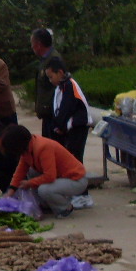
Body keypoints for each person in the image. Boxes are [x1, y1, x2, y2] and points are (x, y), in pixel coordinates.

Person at [0, 124, 87, 219]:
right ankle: (45, 205)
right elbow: (20, 172)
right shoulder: (27, 150)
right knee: (31, 171)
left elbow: (50, 176)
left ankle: (65, 207)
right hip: (61, 178)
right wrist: (11, 191)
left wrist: (29, 183)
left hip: (76, 180)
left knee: (44, 189)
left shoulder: (42, 147)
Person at [45, 56, 94, 209]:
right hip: (69, 129)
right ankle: (75, 193)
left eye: (51, 76)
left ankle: (83, 195)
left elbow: (66, 109)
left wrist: (59, 124)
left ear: (60, 73)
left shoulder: (69, 86)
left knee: (75, 160)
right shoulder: (61, 87)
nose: (50, 80)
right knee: (70, 160)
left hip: (78, 127)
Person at [31, 28, 62, 138]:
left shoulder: (53, 59)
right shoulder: (45, 59)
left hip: (52, 113)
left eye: (32, 44)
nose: (32, 47)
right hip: (47, 113)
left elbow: (58, 87)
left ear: (38, 44)